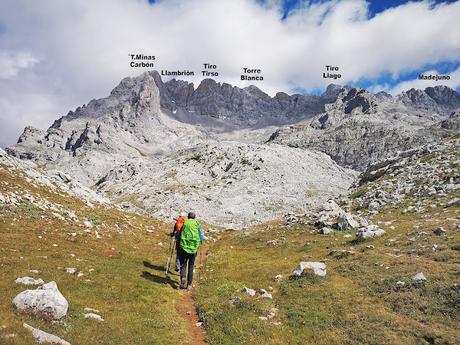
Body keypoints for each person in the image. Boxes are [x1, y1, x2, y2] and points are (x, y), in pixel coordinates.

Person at [178, 212, 204, 290]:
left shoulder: (185, 223)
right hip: (193, 249)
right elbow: (200, 236)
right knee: (191, 265)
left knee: (183, 263)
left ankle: (183, 278)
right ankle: (189, 284)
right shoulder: (197, 224)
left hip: (184, 247)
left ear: (188, 217)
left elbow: (180, 233)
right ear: (194, 217)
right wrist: (200, 242)